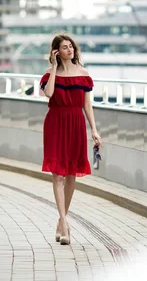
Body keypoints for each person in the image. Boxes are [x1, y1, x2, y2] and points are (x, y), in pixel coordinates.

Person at [39, 33, 102, 245]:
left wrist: (94, 129)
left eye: (71, 47)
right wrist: (55, 68)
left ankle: (60, 221)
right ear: (57, 52)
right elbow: (48, 94)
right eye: (65, 48)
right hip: (55, 123)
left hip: (75, 124)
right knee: (57, 175)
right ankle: (65, 224)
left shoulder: (83, 74)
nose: (70, 50)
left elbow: (87, 105)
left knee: (71, 174)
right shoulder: (49, 74)